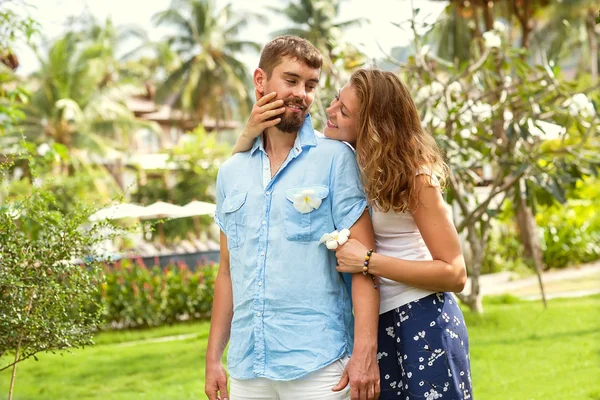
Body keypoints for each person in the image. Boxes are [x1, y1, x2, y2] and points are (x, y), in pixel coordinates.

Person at [235, 68, 473, 399]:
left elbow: (455, 273)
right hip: (371, 325)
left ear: (372, 127)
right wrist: (248, 132)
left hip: (422, 317)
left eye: (344, 112)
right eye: (335, 100)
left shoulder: (415, 174)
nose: (330, 111)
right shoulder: (345, 161)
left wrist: (369, 261)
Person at [205, 36, 380, 400]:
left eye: (311, 85)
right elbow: (226, 270)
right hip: (247, 367)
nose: (302, 93)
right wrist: (213, 357)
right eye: (291, 80)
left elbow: (365, 264)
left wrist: (365, 354)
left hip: (319, 365)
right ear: (260, 81)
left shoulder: (335, 159)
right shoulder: (231, 172)